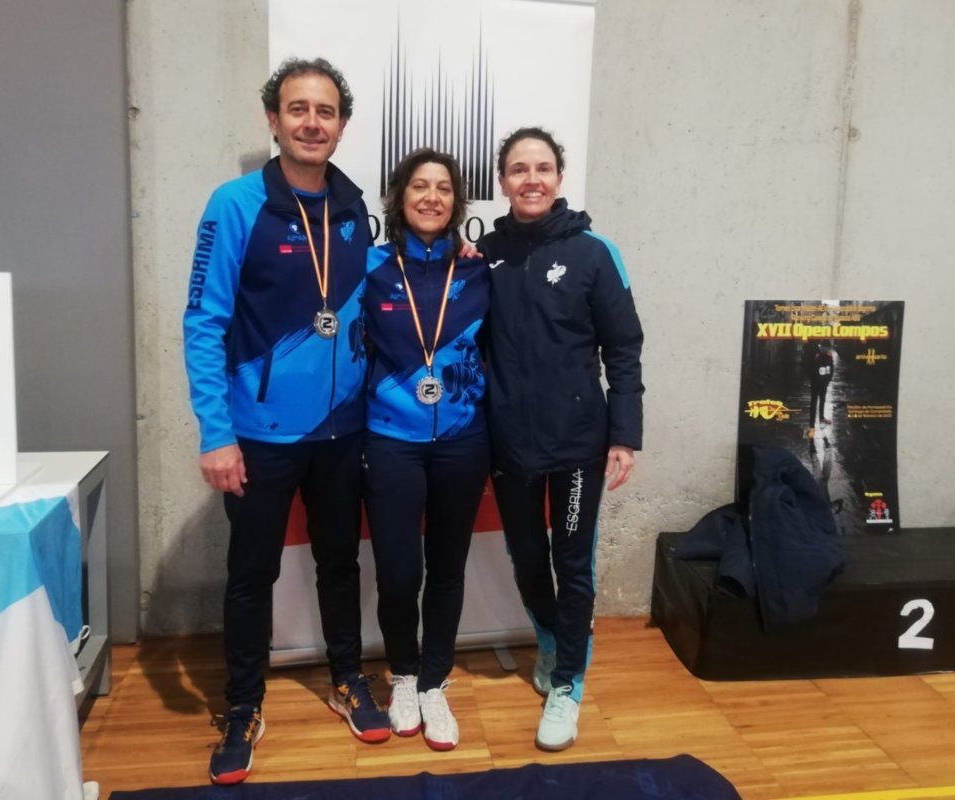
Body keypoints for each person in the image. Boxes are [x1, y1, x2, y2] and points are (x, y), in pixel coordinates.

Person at [182, 57, 390, 786]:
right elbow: (203, 321)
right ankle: (242, 706)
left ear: (341, 124)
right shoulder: (235, 204)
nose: (311, 122)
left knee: (339, 563)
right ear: (273, 120)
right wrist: (215, 431)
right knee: (251, 575)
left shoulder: (357, 208)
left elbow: (378, 291)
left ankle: (345, 678)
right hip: (260, 435)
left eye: (325, 111)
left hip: (343, 431)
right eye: (297, 109)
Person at [478, 127, 644, 752]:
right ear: (502, 181)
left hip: (578, 444)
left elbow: (624, 349)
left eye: (542, 168)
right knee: (526, 559)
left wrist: (624, 435)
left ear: (559, 177)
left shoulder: (595, 253)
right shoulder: (485, 255)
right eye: (518, 169)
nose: (531, 180)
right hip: (509, 443)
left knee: (573, 563)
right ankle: (550, 642)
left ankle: (569, 683)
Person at [361, 148, 490, 751]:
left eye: (443, 188)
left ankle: (435, 680)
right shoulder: (371, 268)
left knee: (447, 567)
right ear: (399, 197)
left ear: (457, 202)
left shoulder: (478, 270)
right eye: (419, 186)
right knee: (396, 571)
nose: (431, 197)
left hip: (463, 441)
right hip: (390, 440)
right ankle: (404, 676)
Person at [806, 340, 835, 439]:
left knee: (822, 400)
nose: (827, 350)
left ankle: (822, 418)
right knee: (813, 404)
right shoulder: (815, 355)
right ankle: (811, 427)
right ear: (822, 347)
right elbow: (809, 367)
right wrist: (812, 379)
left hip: (824, 384)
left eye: (828, 348)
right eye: (825, 348)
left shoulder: (829, 356)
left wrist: (828, 380)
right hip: (815, 384)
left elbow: (831, 368)